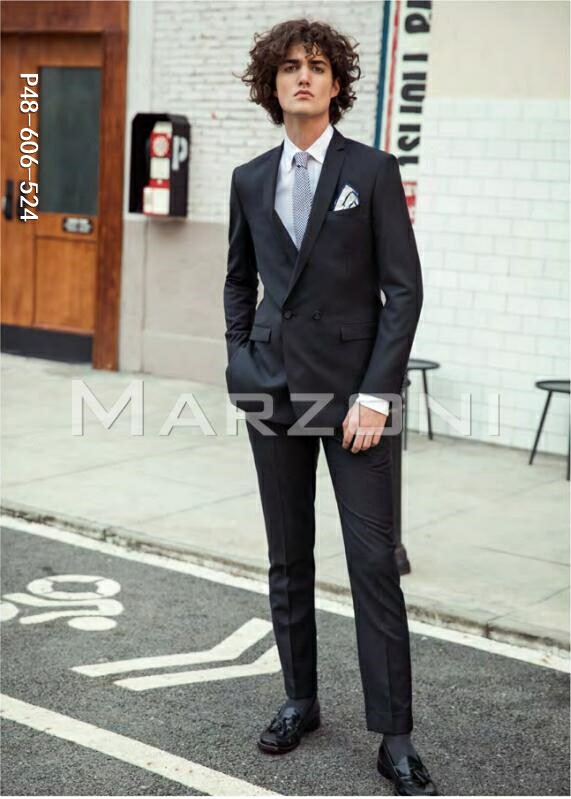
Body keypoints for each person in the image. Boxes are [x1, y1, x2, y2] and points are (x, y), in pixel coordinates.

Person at [223, 18, 437, 796]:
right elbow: (237, 279)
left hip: (354, 401)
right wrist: (239, 359)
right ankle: (299, 701)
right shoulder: (249, 177)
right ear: (272, 85)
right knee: (288, 558)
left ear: (336, 83)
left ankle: (395, 737)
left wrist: (376, 394)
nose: (303, 76)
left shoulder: (370, 170)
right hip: (271, 391)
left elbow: (402, 291)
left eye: (316, 66)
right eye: (289, 67)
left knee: (373, 563)